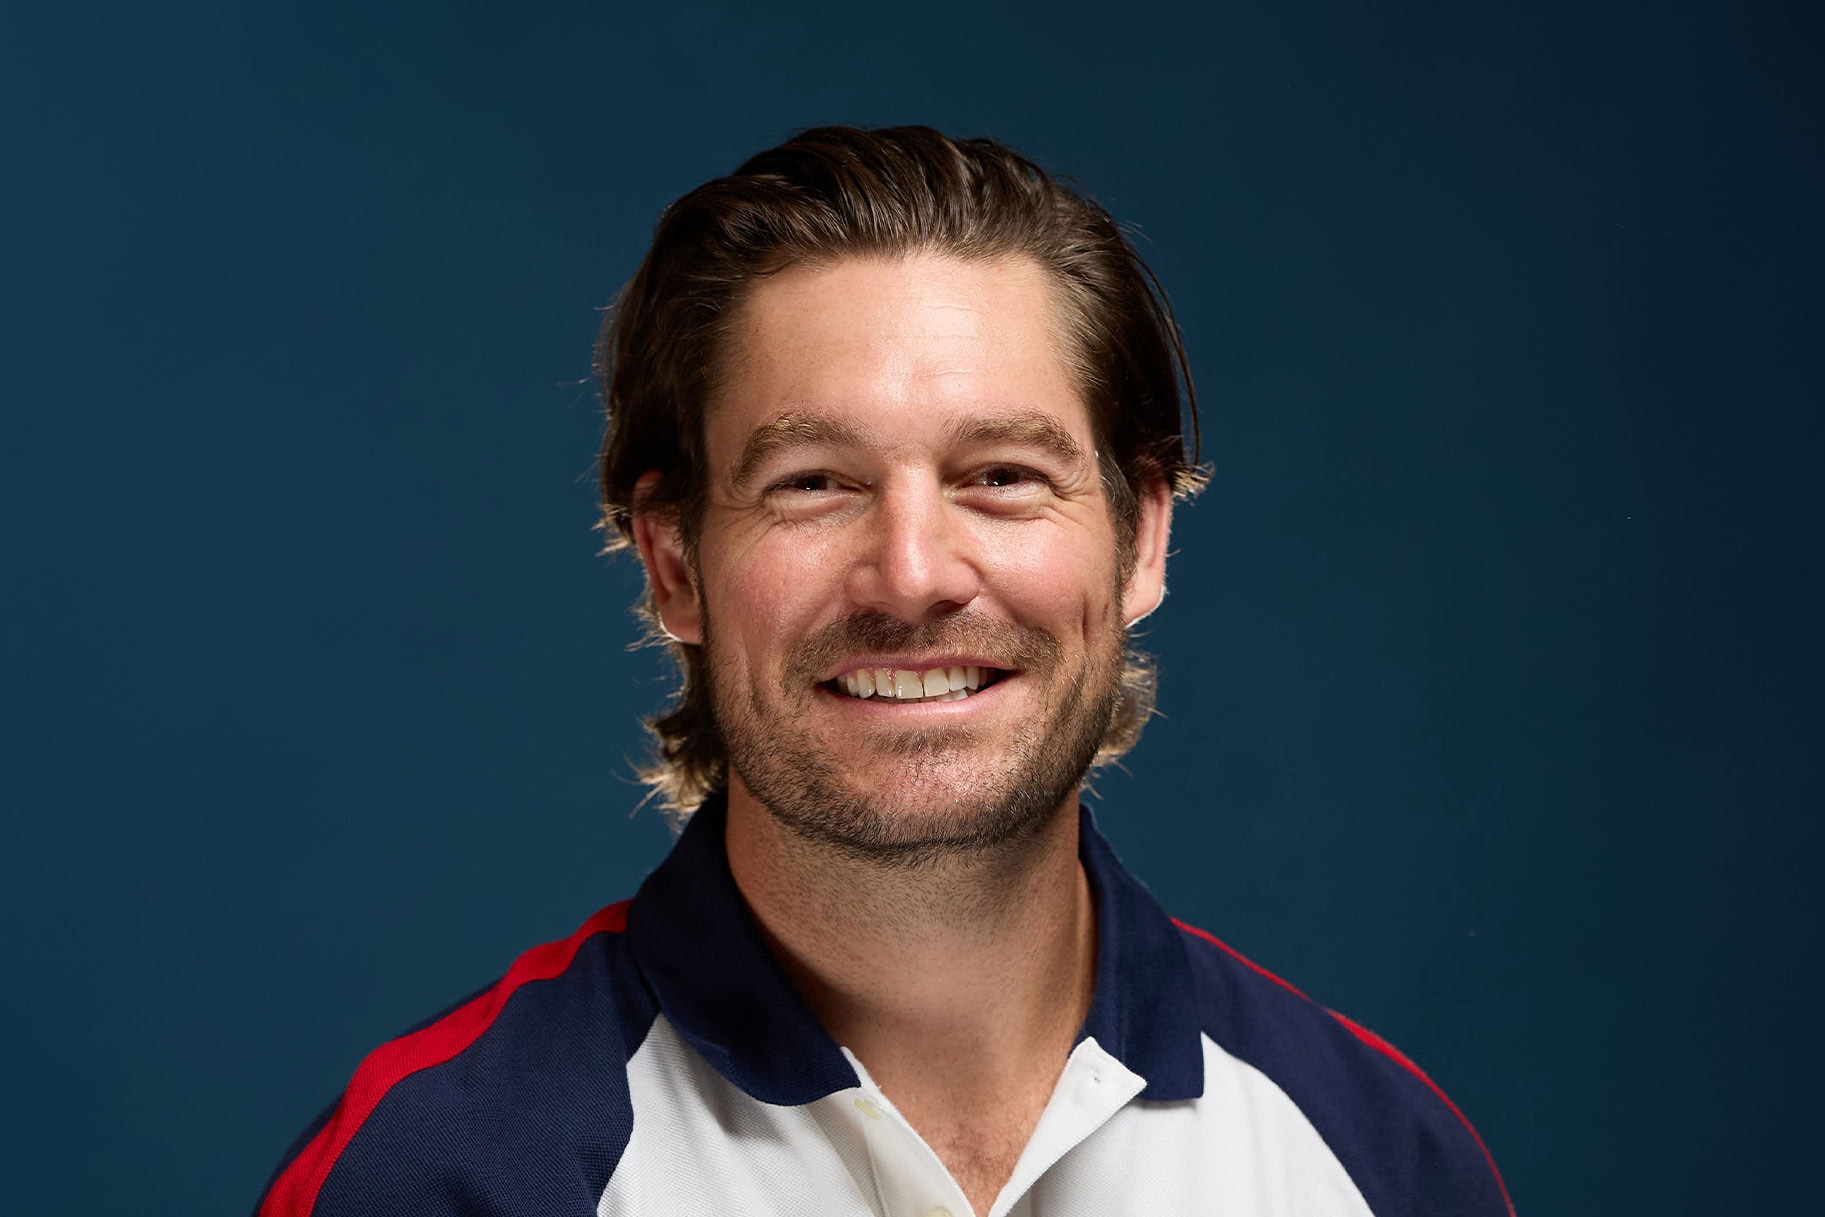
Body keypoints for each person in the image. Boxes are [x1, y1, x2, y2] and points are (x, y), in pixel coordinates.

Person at [256, 125, 1513, 1217]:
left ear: (1141, 537)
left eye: (1001, 476)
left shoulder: (1375, 1161)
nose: (911, 573)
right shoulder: (448, 1176)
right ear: (673, 562)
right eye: (814, 483)